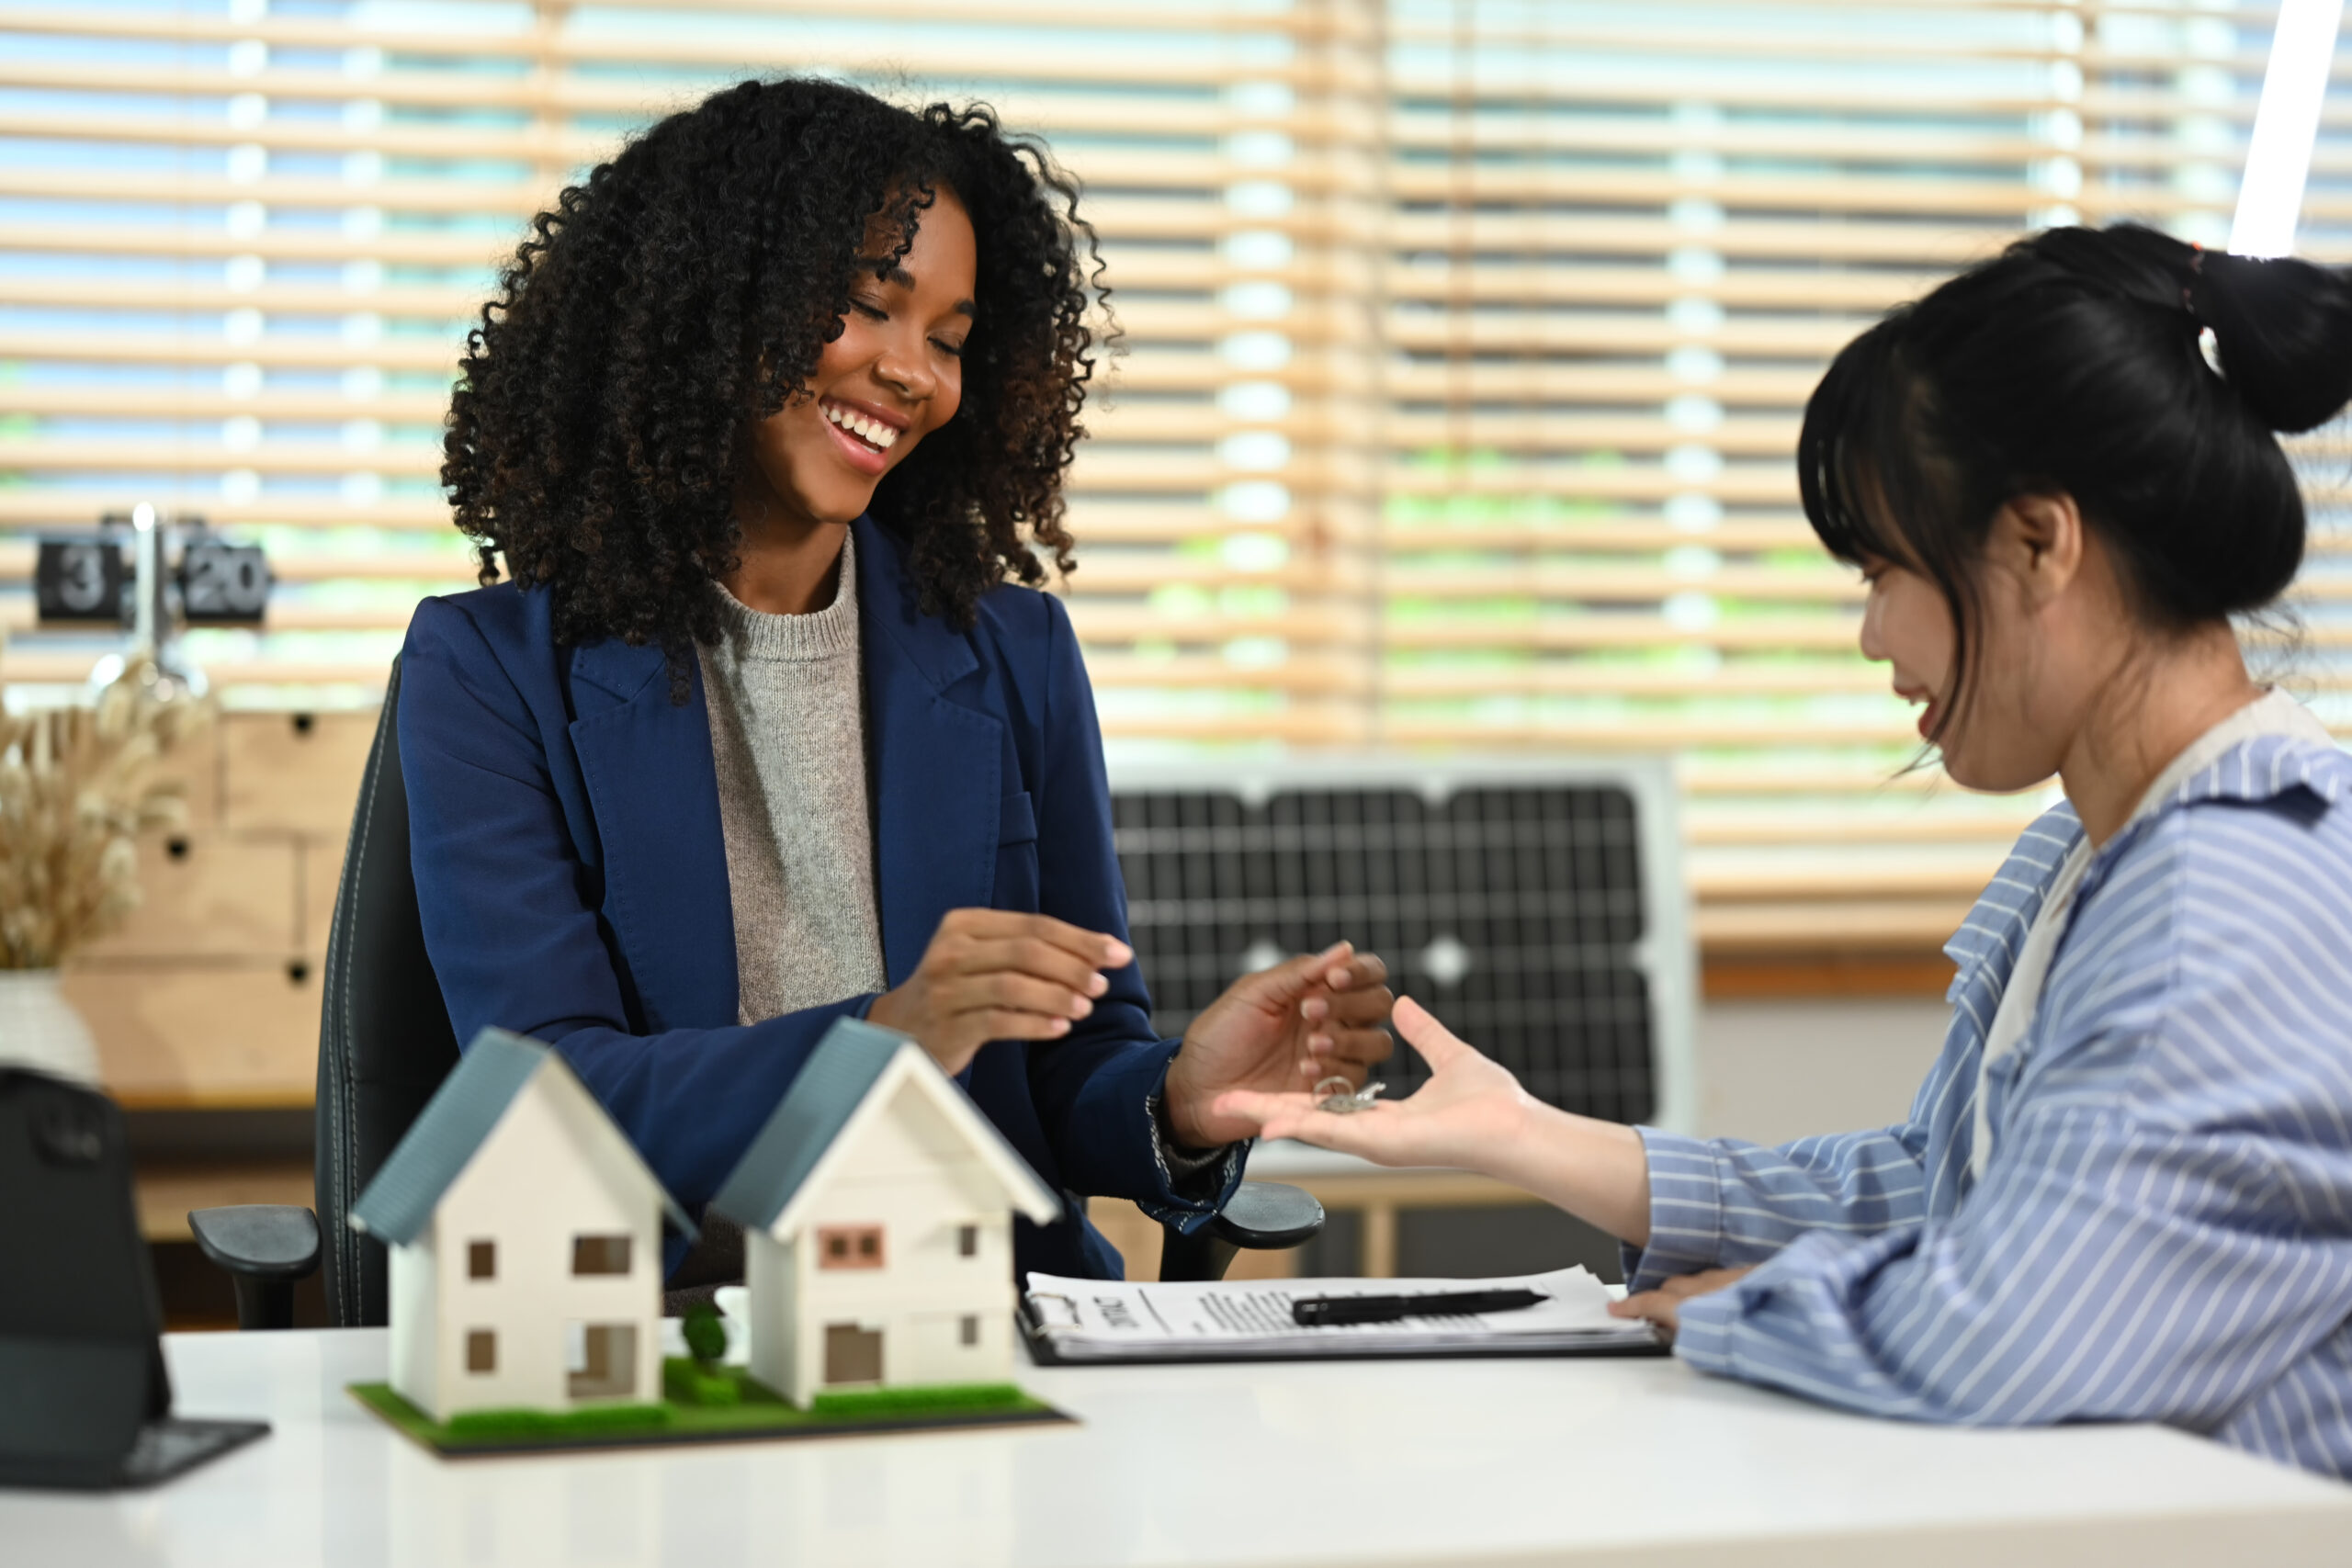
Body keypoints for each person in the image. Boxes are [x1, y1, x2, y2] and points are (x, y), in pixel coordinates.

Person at [1215, 225, 2352, 1477]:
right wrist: (1530, 1136)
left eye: (1884, 570)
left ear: (2041, 544)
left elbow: (2012, 1337)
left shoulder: (2231, 895)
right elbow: (1942, 1201)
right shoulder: (2089, 852)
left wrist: (1736, 1310)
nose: (1872, 635)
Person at [403, 78, 1392, 1290]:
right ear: (716, 306)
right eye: (870, 306)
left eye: (951, 339)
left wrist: (1183, 1099)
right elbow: (544, 1095)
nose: (911, 373)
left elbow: (1062, 1077)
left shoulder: (1014, 655)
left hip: (980, 1320)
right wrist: (880, 1040)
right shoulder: (490, 670)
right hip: (669, 1340)